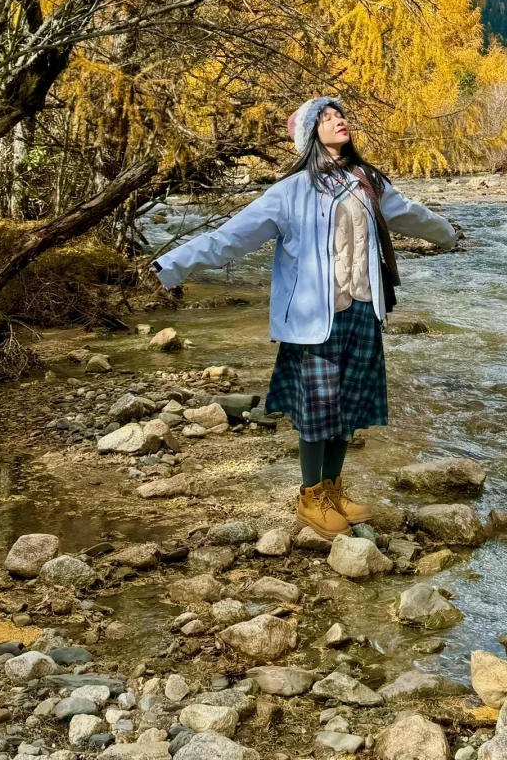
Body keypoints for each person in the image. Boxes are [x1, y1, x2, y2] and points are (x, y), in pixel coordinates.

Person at [150, 96, 457, 538]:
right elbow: (231, 237)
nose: (338, 121)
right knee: (318, 410)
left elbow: (410, 214)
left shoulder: (367, 181)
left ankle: (333, 490)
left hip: (364, 309)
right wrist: (171, 265)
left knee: (348, 407)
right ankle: (310, 497)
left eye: (340, 115)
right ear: (310, 134)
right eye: (326, 118)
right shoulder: (290, 192)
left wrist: (447, 234)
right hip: (315, 319)